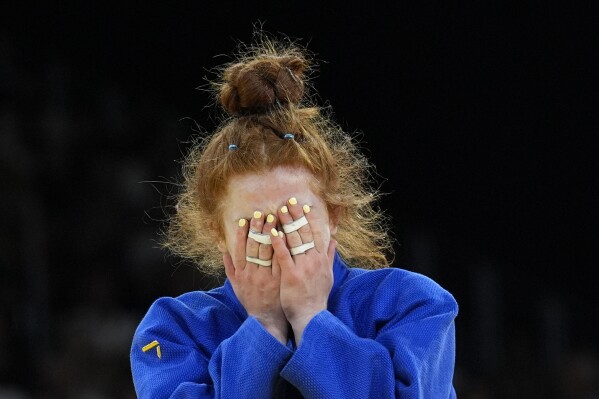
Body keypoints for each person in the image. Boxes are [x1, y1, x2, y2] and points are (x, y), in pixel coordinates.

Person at [130, 34, 458, 398]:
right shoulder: (173, 331)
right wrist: (264, 326)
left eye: (295, 219)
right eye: (254, 225)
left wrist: (311, 318)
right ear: (217, 232)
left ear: (334, 215)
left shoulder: (412, 304)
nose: (278, 241)